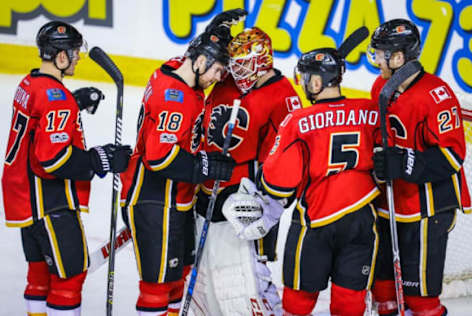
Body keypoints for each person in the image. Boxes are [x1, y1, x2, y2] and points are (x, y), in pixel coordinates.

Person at [234, 44, 383, 315]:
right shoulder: (370, 112)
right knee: (350, 302)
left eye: (305, 79)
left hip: (316, 222)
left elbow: (278, 184)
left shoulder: (298, 120)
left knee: (298, 302)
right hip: (362, 220)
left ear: (316, 81)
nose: (302, 84)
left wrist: (263, 178)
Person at [1, 21, 131, 316]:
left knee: (38, 276)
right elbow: (52, 159)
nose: (77, 57)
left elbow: (39, 125)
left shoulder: (30, 83)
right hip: (51, 203)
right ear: (61, 57)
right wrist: (101, 159)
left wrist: (74, 101)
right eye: (73, 52)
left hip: (26, 202)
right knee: (69, 279)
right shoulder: (55, 100)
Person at [119, 15, 240, 315]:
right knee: (157, 289)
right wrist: (206, 167)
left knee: (176, 280)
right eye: (216, 70)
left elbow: (194, 56)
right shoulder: (176, 98)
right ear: (199, 62)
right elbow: (159, 157)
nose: (217, 78)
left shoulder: (177, 68)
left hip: (177, 199)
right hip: (153, 200)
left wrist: (215, 33)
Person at [190, 26, 302, 316]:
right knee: (207, 271)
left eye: (241, 64)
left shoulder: (284, 97)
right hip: (205, 184)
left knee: (249, 276)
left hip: (245, 196)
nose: (233, 70)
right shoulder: (227, 81)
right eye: (232, 63)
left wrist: (270, 204)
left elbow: (288, 160)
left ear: (261, 61)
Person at [367, 18, 471, 316]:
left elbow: (452, 155)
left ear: (398, 57)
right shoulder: (380, 87)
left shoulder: (435, 95)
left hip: (428, 209)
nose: (375, 59)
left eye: (380, 53)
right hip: (390, 203)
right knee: (384, 294)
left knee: (421, 300)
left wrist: (404, 162)